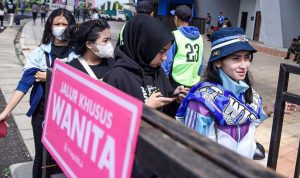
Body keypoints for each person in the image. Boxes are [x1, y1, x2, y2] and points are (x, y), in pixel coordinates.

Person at [176, 27, 297, 160]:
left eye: (246, 58)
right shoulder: (202, 101)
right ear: (218, 62)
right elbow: (191, 152)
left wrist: (269, 109)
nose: (244, 65)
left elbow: (246, 129)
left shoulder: (247, 92)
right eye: (236, 58)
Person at [0, 8, 77, 178]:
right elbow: (24, 83)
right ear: (50, 26)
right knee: (41, 156)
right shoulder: (40, 53)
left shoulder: (77, 53)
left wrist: (50, 76)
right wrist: (6, 111)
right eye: (57, 24)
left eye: (65, 24)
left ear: (72, 27)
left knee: (66, 158)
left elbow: (83, 82)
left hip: (69, 117)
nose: (61, 27)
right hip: (42, 113)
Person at [103, 14, 188, 117]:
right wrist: (145, 108)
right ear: (144, 47)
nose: (165, 57)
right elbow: (111, 121)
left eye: (166, 52)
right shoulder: (116, 77)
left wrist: (174, 98)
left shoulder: (157, 71)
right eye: (161, 51)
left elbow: (166, 112)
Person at [162, 5, 204, 89]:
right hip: (193, 82)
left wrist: (163, 80)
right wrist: (197, 76)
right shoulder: (199, 37)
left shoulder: (175, 35)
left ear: (176, 19)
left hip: (176, 82)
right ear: (190, 19)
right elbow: (201, 62)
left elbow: (167, 61)